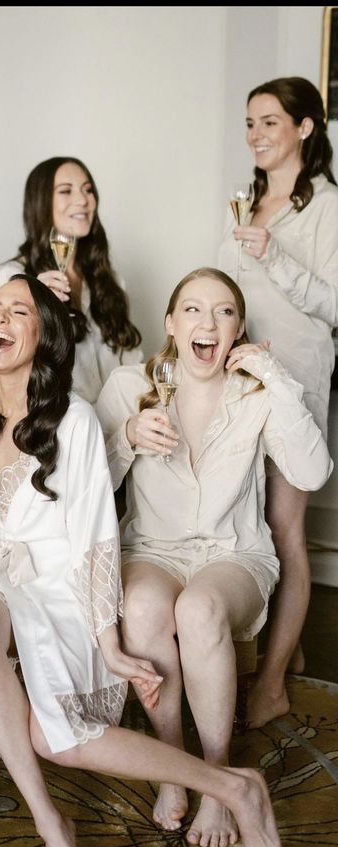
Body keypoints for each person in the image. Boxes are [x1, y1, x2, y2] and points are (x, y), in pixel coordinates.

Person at [0, 272, 285, 847]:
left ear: (43, 333)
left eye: (17, 310)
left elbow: (94, 537)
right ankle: (55, 831)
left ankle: (228, 783)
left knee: (55, 738)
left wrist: (108, 637)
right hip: (0, 581)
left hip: (61, 591)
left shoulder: (75, 420)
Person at [95, 267, 332, 847]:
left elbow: (313, 471)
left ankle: (220, 776)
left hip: (235, 554)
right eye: (194, 310)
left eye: (224, 311)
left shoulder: (256, 392)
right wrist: (127, 434)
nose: (209, 321)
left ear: (239, 328)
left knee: (199, 610)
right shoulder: (132, 385)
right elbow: (84, 485)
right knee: (147, 607)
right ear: (172, 324)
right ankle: (176, 769)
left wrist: (274, 376)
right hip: (151, 549)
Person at [217, 76, 338, 729]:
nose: (257, 134)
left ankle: (270, 684)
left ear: (305, 128)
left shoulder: (325, 208)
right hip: (240, 378)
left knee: (286, 527)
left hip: (295, 379)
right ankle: (278, 652)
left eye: (269, 121)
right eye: (249, 122)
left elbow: (336, 304)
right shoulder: (244, 203)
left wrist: (278, 260)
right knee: (246, 521)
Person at [0, 156, 142, 406]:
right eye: (66, 191)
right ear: (41, 203)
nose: (83, 200)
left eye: (88, 190)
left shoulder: (110, 281)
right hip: (53, 423)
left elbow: (132, 364)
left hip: (116, 428)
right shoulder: (8, 279)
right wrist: (37, 309)